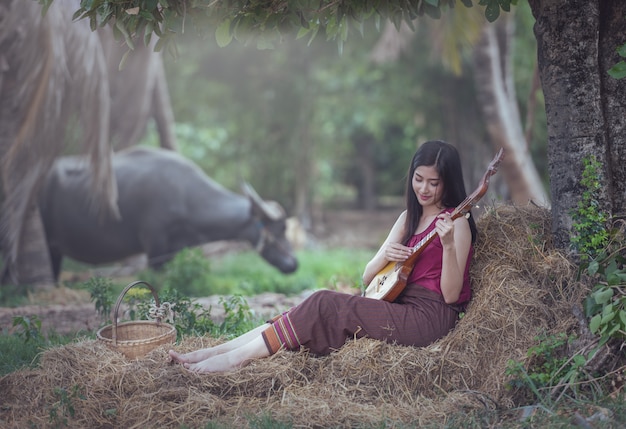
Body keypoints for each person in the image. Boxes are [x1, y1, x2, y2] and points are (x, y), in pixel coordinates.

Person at [169, 140, 477, 373]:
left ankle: (229, 361)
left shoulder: (456, 224)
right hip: (395, 302)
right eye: (418, 178)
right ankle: (209, 353)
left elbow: (451, 296)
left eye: (433, 183)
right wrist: (385, 253)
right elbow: (369, 279)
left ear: (447, 183)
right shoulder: (407, 218)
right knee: (313, 304)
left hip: (428, 318)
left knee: (324, 301)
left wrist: (448, 244)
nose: (424, 188)